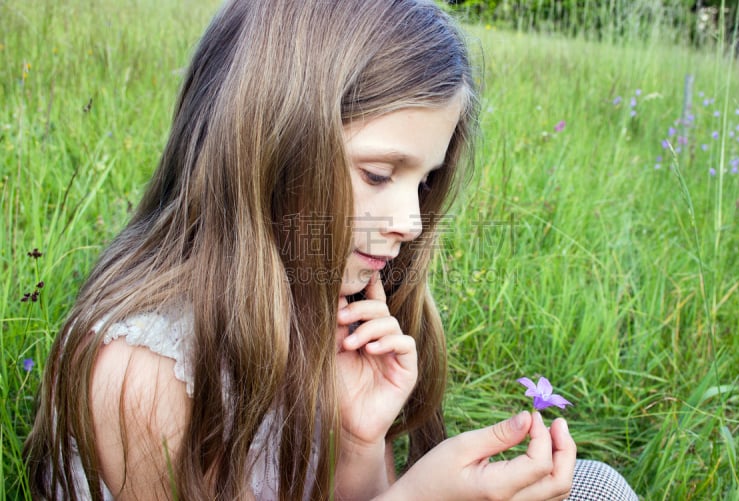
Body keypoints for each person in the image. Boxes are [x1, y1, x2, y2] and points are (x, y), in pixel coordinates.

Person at [25, 1, 639, 499]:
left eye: (423, 182)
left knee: (596, 487)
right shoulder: (142, 372)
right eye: (377, 174)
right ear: (264, 146)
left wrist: (357, 440)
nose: (409, 221)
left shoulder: (318, 292)